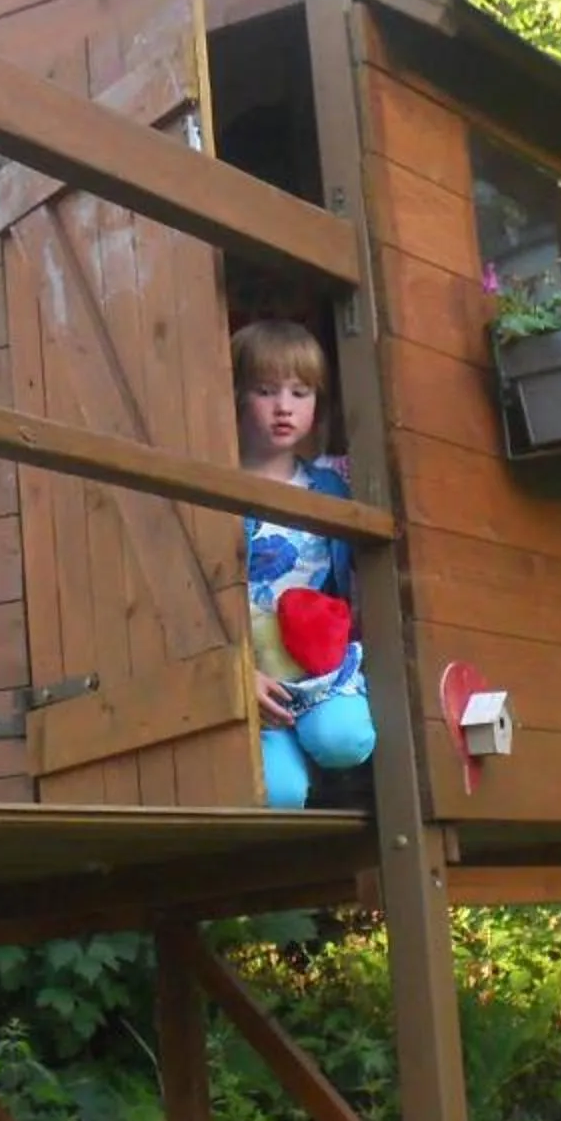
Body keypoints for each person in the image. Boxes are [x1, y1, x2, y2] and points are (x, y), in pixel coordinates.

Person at [233, 319, 376, 809]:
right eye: (265, 391)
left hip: (321, 665)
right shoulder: (215, 488)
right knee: (280, 795)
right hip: (256, 668)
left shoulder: (335, 483)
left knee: (347, 740)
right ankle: (290, 754)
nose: (284, 407)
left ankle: (317, 741)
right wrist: (236, 674)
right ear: (236, 396)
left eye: (300, 391)